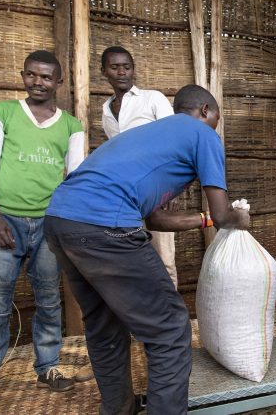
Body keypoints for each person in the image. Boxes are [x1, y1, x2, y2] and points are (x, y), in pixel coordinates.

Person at [43, 84, 250, 415]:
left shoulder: (147, 135)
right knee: (169, 328)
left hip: (60, 221)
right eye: (216, 120)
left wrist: (205, 221)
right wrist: (239, 216)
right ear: (206, 112)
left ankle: (120, 408)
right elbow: (225, 214)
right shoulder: (202, 133)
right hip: (105, 225)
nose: (215, 128)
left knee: (104, 324)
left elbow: (154, 219)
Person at [0, 50, 84, 414]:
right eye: (32, 75)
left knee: (48, 299)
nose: (38, 82)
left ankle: (47, 368)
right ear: (23, 76)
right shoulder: (2, 112)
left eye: (47, 77)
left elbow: (74, 179)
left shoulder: (71, 126)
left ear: (59, 82)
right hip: (6, 223)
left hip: (48, 226)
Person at [73, 46, 179, 384]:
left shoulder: (153, 99)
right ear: (104, 72)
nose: (122, 72)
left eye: (127, 66)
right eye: (115, 68)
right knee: (133, 257)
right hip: (124, 199)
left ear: (134, 69)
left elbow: (175, 139)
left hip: (156, 189)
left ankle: (171, 328)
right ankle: (144, 327)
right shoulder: (106, 111)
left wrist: (172, 187)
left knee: (165, 257)